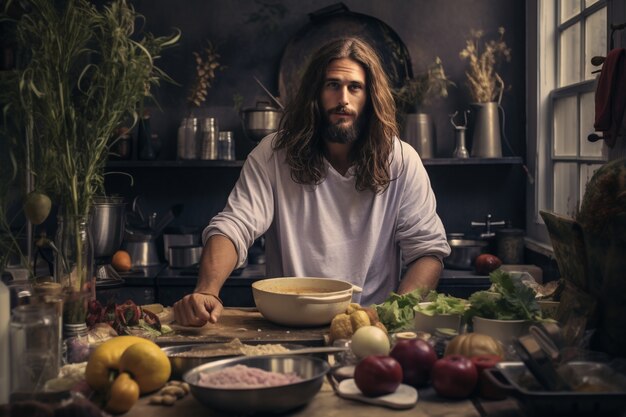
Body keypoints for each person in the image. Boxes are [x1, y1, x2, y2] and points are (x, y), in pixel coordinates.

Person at [173, 37, 450, 326]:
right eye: (332, 85)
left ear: (370, 96)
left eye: (354, 87)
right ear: (314, 93)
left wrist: (391, 316)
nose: (343, 99)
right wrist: (207, 290)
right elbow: (233, 226)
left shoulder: (402, 160)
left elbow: (427, 252)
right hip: (288, 324)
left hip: (370, 327)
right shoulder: (272, 154)